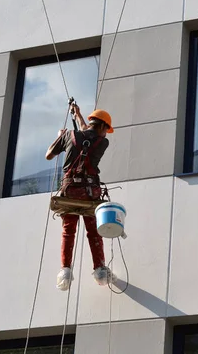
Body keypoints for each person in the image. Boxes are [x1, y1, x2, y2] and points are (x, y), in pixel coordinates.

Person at [45, 104, 116, 291]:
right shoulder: (103, 143)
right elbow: (88, 134)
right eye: (106, 130)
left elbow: (49, 156)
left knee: (69, 231)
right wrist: (78, 116)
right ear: (101, 127)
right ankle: (100, 269)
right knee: (93, 231)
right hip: (90, 193)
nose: (106, 134)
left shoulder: (69, 135)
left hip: (70, 191)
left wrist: (61, 136)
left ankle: (65, 271)